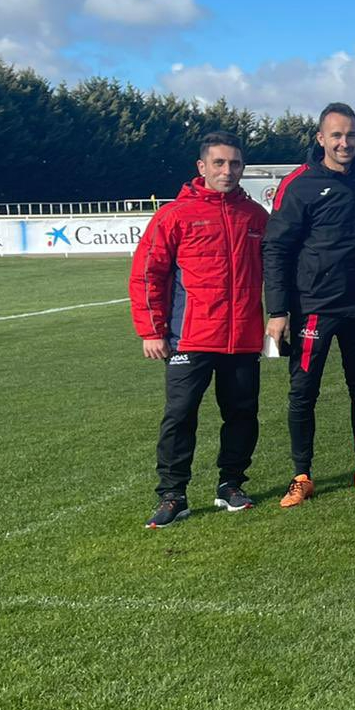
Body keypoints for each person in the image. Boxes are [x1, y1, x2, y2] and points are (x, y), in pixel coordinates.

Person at [130, 132, 269, 528]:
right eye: (220, 163)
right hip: (189, 337)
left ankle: (231, 484)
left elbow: (276, 270)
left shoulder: (255, 216)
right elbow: (146, 274)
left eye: (235, 164)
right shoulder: (175, 215)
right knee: (179, 415)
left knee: (242, 413)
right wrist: (151, 330)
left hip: (242, 337)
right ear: (202, 167)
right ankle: (173, 494)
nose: (228, 171)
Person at [263, 103, 355, 508]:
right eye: (336, 135)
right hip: (313, 307)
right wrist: (277, 310)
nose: (344, 142)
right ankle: (302, 474)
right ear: (320, 139)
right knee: (303, 391)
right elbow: (276, 249)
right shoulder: (299, 184)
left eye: (351, 135)